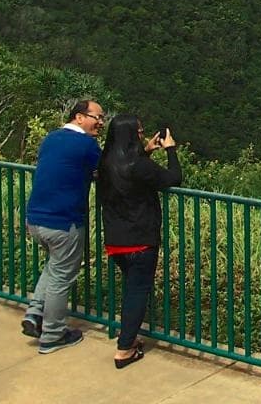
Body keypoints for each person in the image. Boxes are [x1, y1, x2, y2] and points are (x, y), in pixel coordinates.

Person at [97, 115, 182, 369]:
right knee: (137, 293)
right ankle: (125, 349)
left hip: (115, 240)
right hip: (140, 241)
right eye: (140, 132)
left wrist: (145, 153)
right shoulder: (139, 167)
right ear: (131, 135)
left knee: (132, 289)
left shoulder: (106, 163)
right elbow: (173, 179)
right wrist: (171, 150)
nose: (143, 135)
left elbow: (131, 172)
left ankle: (128, 339)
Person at [22, 99, 104, 353]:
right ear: (79, 117)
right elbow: (111, 169)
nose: (100, 123)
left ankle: (35, 313)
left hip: (35, 219)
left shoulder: (51, 138)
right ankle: (53, 334)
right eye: (96, 117)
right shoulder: (86, 145)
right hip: (63, 222)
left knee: (54, 266)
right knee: (61, 277)